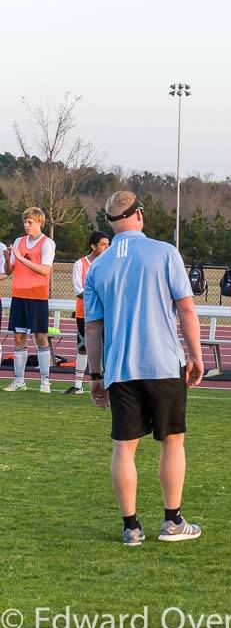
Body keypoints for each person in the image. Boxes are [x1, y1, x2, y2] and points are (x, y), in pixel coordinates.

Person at [84, 191, 204, 546]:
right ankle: (172, 522)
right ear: (139, 214)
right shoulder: (164, 252)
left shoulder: (99, 267)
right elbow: (186, 309)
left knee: (124, 447)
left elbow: (93, 328)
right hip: (163, 363)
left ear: (110, 223)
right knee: (173, 440)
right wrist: (195, 355)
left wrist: (95, 376)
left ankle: (131, 528)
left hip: (120, 369)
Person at [3, 207, 56, 393]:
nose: (26, 225)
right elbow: (9, 271)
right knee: (18, 337)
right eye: (25, 222)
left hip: (37, 296)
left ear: (40, 222)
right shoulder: (19, 241)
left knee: (40, 336)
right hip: (19, 295)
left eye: (30, 222)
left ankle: (45, 381)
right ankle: (19, 380)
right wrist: (8, 259)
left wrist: (21, 258)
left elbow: (45, 270)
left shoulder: (47, 243)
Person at [66, 231, 111, 394]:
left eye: (108, 244)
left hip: (107, 314)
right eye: (103, 244)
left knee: (107, 347)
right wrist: (101, 295)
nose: (107, 247)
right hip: (84, 314)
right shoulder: (80, 264)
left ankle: (108, 383)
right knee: (83, 348)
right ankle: (78, 385)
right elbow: (79, 291)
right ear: (93, 246)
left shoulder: (111, 264)